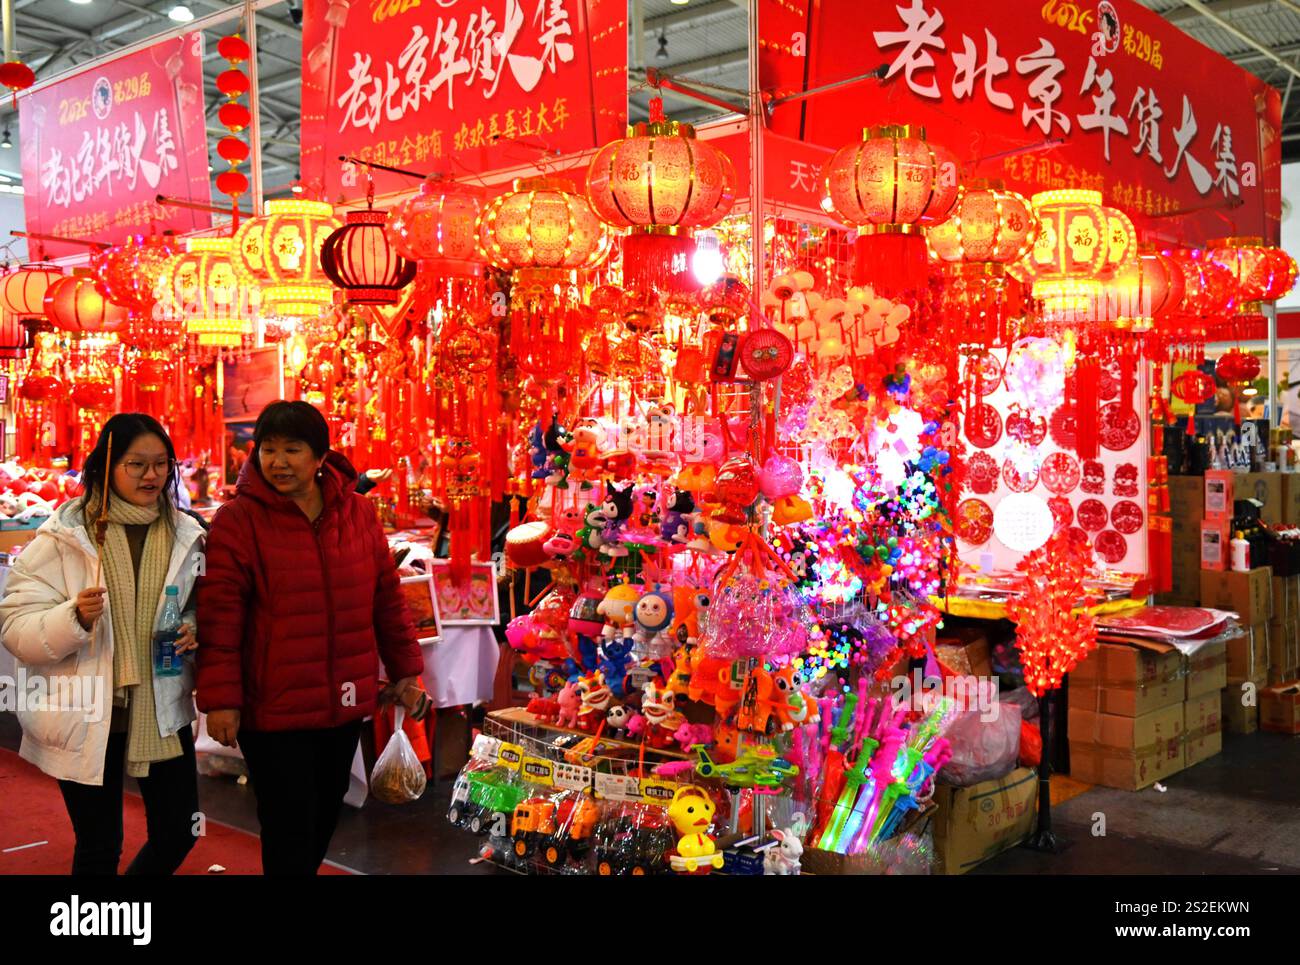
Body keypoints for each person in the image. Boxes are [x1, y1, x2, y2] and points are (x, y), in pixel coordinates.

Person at [196, 400, 425, 875]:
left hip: (342, 697)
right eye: (268, 449)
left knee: (325, 808)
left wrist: (406, 672)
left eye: (292, 450)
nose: (277, 462)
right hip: (272, 703)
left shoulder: (358, 513)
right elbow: (220, 617)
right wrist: (220, 700)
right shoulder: (239, 521)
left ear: (321, 456)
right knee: (287, 820)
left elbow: (387, 598)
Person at [0, 414, 205, 875]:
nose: (151, 476)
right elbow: (15, 624)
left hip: (162, 705)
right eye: (136, 464)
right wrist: (71, 617)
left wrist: (194, 624)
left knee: (181, 829)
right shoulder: (65, 536)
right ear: (106, 466)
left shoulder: (186, 535)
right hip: (88, 709)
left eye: (160, 465)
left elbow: (198, 603)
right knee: (98, 845)